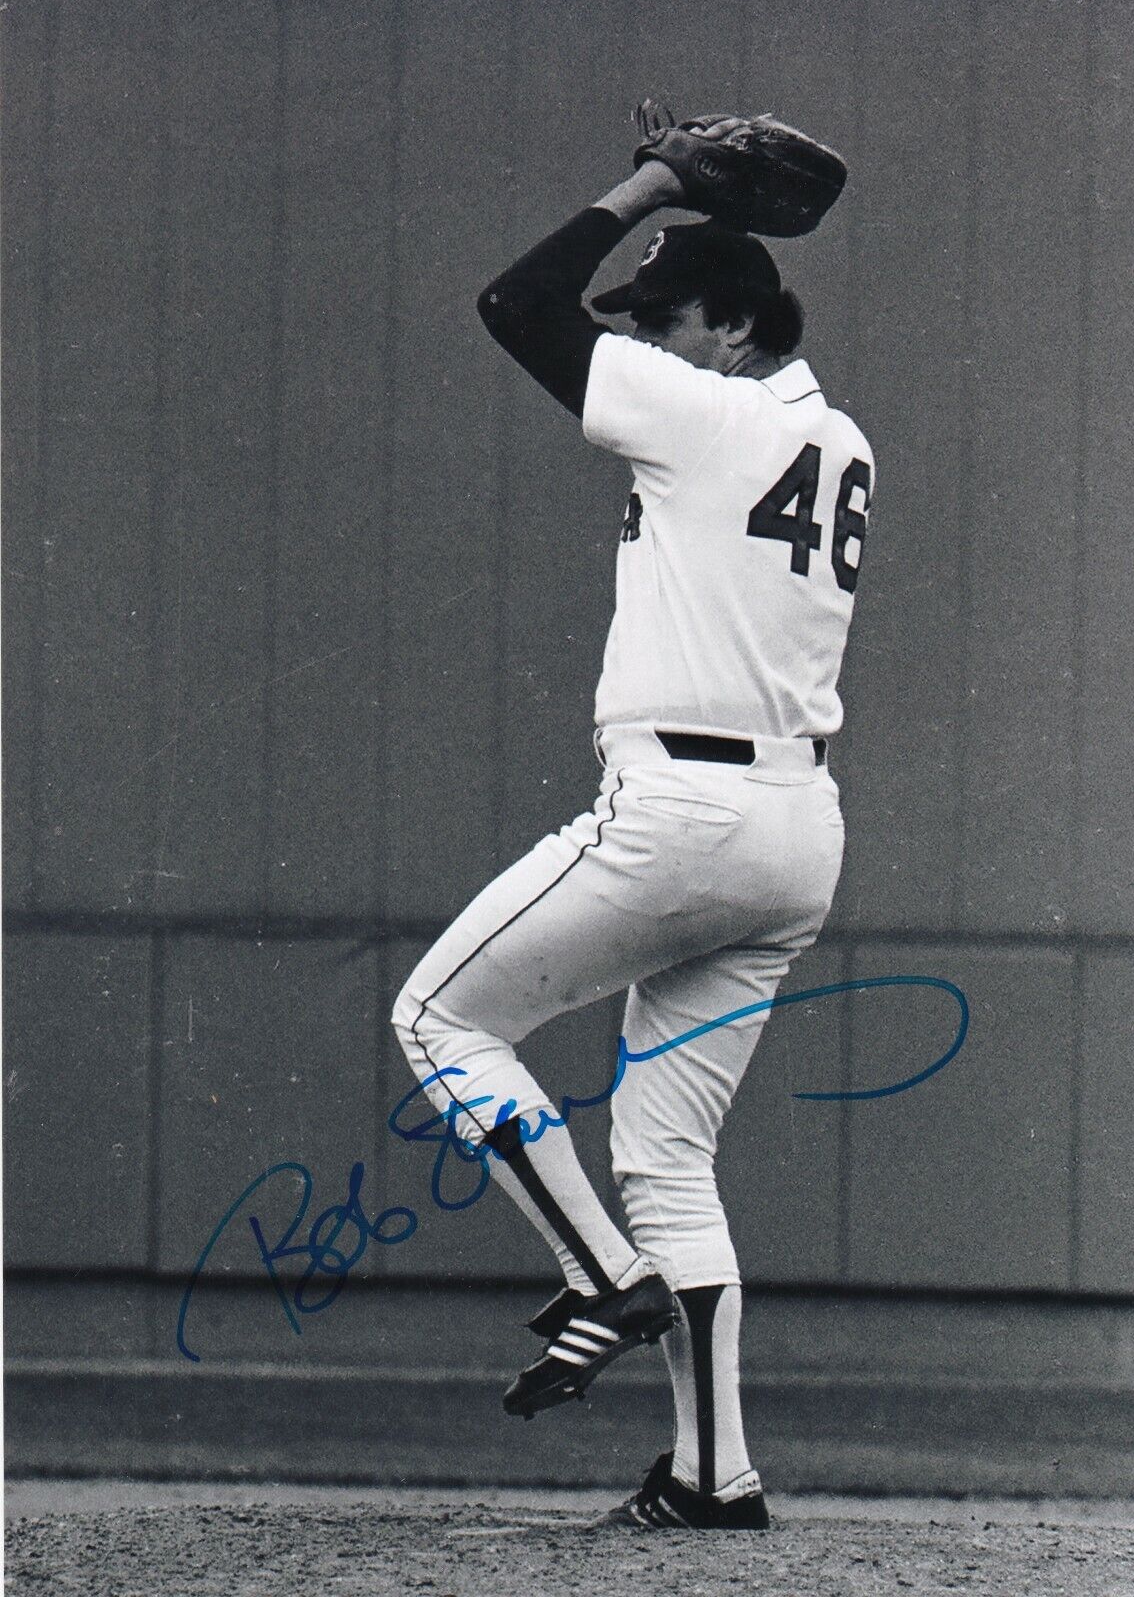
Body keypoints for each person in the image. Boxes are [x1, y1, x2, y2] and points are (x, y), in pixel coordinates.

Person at [392, 141, 874, 1531]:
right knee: (668, 1159)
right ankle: (713, 1473)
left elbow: (514, 306)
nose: (639, 341)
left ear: (731, 326)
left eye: (659, 317)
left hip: (685, 813)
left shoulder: (708, 417)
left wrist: (648, 190)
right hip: (797, 832)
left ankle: (601, 1275)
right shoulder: (834, 438)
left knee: (440, 1019)